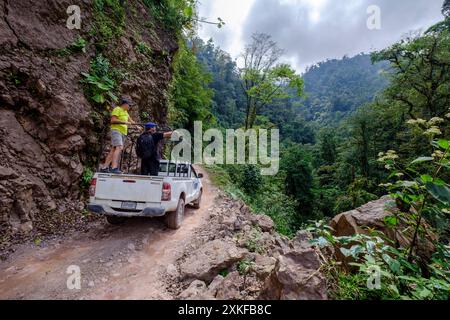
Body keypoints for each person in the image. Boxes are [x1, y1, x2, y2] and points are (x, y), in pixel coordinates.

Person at [100, 97, 137, 174]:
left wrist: (138, 127)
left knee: (114, 149)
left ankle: (104, 167)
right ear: (125, 104)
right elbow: (113, 120)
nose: (130, 107)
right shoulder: (117, 109)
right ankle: (114, 167)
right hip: (116, 130)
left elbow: (131, 121)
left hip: (123, 132)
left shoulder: (126, 112)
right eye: (129, 105)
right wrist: (124, 122)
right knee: (119, 147)